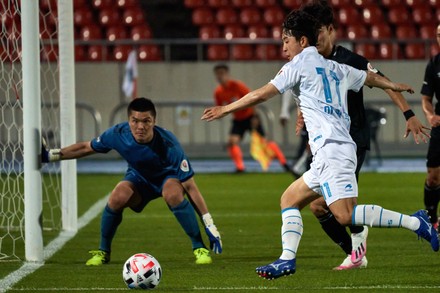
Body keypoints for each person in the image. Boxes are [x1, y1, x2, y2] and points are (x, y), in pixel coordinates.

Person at [202, 9, 437, 280]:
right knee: (289, 199)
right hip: (332, 151)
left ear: (302, 42)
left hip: (333, 150)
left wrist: (226, 109)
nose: (283, 48)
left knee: (345, 215)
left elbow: (261, 94)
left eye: (286, 41)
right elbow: (369, 78)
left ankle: (415, 222)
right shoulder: (335, 67)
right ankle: (286, 259)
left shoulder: (298, 65)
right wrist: (393, 84)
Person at [279, 0, 430, 270]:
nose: (316, 39)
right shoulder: (310, 62)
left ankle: (364, 244)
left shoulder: (349, 60)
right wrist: (304, 114)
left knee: (336, 208)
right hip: (327, 144)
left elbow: (385, 83)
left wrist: (409, 115)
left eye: (320, 32)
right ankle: (355, 249)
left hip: (350, 141)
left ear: (329, 29)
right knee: (319, 207)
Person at [42, 97, 222, 266]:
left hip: (167, 178)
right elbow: (86, 147)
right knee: (117, 196)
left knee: (173, 194)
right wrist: (51, 155)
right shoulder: (118, 134)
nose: (140, 126)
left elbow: (190, 186)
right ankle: (103, 252)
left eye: (146, 121)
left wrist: (209, 224)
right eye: (135, 121)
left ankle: (199, 247)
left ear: (154, 121)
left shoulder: (169, 144)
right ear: (129, 121)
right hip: (139, 179)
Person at [213, 64, 291, 173]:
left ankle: (284, 163)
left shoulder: (237, 86)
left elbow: (253, 98)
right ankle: (240, 167)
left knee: (264, 142)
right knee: (232, 141)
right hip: (238, 120)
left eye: (222, 73)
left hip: (250, 117)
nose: (220, 76)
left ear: (227, 74)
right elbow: (220, 107)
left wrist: (255, 117)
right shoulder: (218, 92)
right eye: (218, 74)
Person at [421, 23, 440, 231]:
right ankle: (431, 216)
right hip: (439, 126)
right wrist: (429, 115)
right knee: (433, 176)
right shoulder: (434, 64)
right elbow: (426, 98)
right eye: (438, 35)